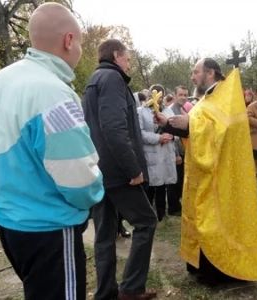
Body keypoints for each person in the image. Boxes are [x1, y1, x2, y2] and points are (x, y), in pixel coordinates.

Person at [0, 3, 104, 300]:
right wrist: (93, 198)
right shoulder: (52, 93)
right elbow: (76, 174)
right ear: (69, 40)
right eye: (79, 42)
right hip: (49, 227)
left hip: (8, 220)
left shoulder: (0, 81)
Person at [154, 58, 257, 286]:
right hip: (202, 173)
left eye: (195, 72)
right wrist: (168, 123)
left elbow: (217, 131)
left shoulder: (226, 97)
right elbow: (197, 127)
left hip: (220, 176)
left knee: (213, 219)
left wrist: (189, 123)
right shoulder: (208, 97)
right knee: (199, 217)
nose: (192, 77)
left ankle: (217, 272)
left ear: (210, 73)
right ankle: (198, 265)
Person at [83, 39, 157, 300]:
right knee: (146, 222)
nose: (129, 62)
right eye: (128, 58)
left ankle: (105, 292)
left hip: (99, 171)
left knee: (104, 235)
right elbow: (114, 129)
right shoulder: (112, 80)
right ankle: (131, 289)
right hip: (117, 172)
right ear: (116, 55)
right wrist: (132, 169)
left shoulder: (94, 80)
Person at [137, 98, 177, 222]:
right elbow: (140, 132)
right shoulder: (141, 111)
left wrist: (172, 135)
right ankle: (147, 216)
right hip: (151, 153)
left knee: (162, 185)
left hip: (166, 152)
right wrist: (158, 138)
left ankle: (161, 214)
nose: (157, 99)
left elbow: (176, 128)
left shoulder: (168, 112)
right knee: (149, 186)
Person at [166, 86, 191, 217]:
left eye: (185, 95)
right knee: (174, 181)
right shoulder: (170, 111)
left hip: (184, 150)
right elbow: (171, 135)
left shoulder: (184, 109)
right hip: (175, 152)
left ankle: (178, 204)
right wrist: (176, 154)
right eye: (180, 94)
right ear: (174, 96)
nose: (183, 97)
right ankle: (173, 207)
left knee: (180, 179)